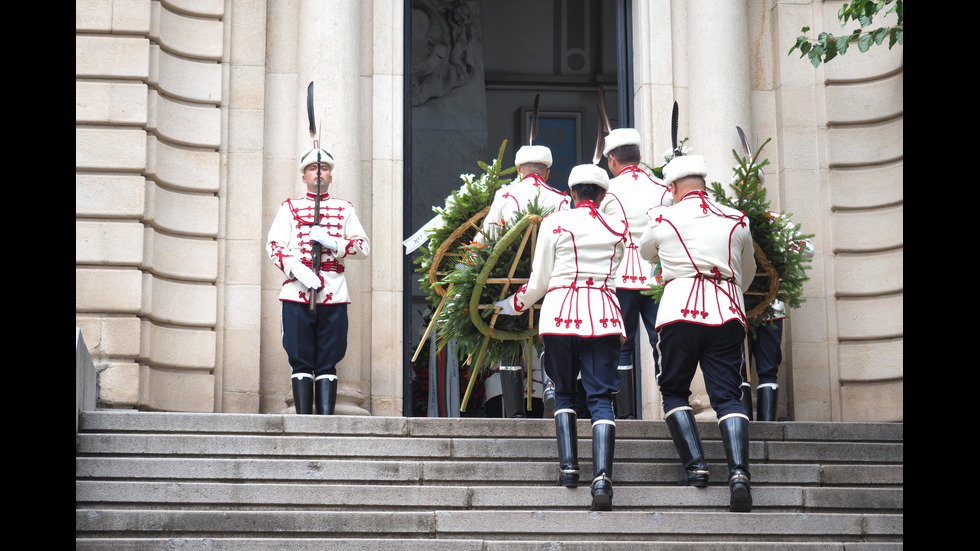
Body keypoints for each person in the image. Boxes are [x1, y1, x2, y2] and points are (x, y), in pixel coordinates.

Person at [494, 163, 626, 511]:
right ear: (604, 194)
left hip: (560, 316)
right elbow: (615, 274)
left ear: (570, 193)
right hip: (603, 316)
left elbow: (539, 281)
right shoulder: (617, 226)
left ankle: (569, 469)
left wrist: (511, 305)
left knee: (564, 392)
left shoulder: (554, 222)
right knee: (601, 399)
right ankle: (602, 480)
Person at [637, 154, 756, 512]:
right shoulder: (736, 219)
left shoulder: (662, 216)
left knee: (674, 389)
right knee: (728, 396)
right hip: (726, 310)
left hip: (679, 312)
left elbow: (645, 252)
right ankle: (738, 475)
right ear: (703, 181)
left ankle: (697, 468)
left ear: (671, 188)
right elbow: (745, 272)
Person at [266, 147, 370, 415]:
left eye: (323, 169)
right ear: (304, 177)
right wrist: (297, 269)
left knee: (328, 358)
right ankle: (303, 422)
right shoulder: (289, 208)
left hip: (333, 292)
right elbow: (274, 246)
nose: (319, 173)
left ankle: (325, 422)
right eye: (313, 169)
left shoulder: (344, 208)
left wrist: (332, 241)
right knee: (299, 358)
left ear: (330, 176)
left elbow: (362, 248)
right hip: (297, 292)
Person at [480, 144, 570, 418]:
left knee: (508, 338)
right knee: (548, 336)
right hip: (550, 285)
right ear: (549, 172)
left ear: (518, 171)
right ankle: (551, 386)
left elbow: (486, 240)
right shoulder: (562, 200)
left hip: (507, 283)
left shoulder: (505, 195)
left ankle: (515, 411)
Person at [600, 128, 673, 419]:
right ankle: (672, 404)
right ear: (639, 156)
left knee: (621, 343)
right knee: (662, 341)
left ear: (612, 160)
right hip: (657, 275)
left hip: (620, 276)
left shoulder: (608, 191)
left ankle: (626, 415)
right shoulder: (663, 188)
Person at [741, 213, 815, 421]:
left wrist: (777, 247)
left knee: (768, 367)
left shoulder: (775, 220)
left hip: (770, 307)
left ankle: (768, 427)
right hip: (738, 305)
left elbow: (807, 249)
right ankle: (742, 424)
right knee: (737, 368)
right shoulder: (730, 215)